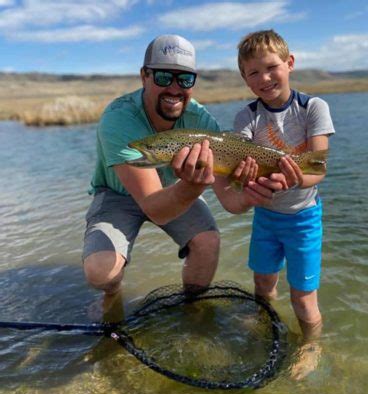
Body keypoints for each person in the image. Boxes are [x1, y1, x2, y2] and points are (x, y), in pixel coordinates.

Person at [82, 34, 281, 318]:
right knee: (101, 272)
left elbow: (230, 202)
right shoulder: (118, 118)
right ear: (144, 76)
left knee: (208, 243)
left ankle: (191, 309)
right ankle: (113, 294)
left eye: (184, 79)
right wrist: (192, 186)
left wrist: (250, 195)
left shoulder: (202, 121)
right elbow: (155, 207)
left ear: (194, 81)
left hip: (174, 188)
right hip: (119, 194)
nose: (174, 88)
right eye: (164, 77)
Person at [214, 29, 335, 379]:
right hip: (265, 217)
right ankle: (264, 326)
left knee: (303, 298)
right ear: (244, 79)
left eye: (271, 67)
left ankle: (311, 346)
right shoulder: (245, 118)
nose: (264, 78)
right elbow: (242, 168)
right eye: (253, 72)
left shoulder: (313, 107)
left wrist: (292, 178)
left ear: (290, 63)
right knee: (263, 285)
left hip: (303, 218)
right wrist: (246, 178)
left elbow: (318, 169)